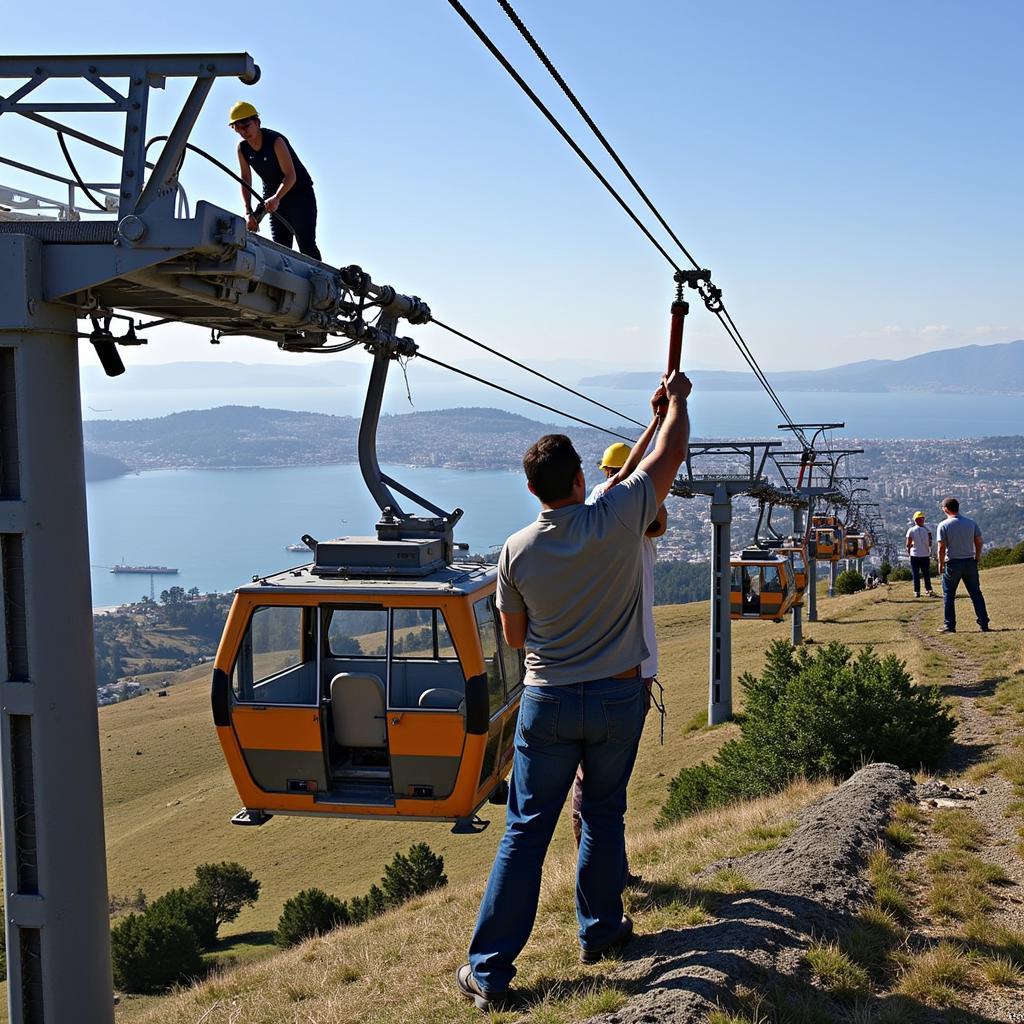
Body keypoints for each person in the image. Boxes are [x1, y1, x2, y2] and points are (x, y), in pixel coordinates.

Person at [456, 370, 692, 1012]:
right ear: (580, 479)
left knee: (526, 831)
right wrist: (676, 406)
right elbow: (666, 456)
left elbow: (513, 637)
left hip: (549, 701)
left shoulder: (516, 550)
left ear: (531, 488)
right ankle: (602, 930)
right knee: (605, 813)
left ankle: (490, 969)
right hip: (620, 697)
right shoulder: (618, 521)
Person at [568, 410, 669, 853]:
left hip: (608, 664)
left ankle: (599, 861)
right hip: (629, 668)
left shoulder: (604, 517)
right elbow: (642, 502)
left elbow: (658, 520)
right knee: (606, 781)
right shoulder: (608, 504)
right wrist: (659, 427)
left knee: (594, 779)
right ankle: (603, 869)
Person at [229, 101, 322, 260]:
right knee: (280, 248)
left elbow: (291, 175)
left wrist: (277, 198)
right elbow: (245, 179)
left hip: (299, 195)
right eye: (238, 128)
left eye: (246, 126)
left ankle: (319, 279)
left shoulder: (275, 141)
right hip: (273, 199)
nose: (244, 132)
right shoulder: (242, 148)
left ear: (257, 122)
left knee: (306, 243)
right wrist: (248, 212)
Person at [936, 497, 990, 633]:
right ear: (958, 508)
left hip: (953, 563)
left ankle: (950, 625)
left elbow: (941, 548)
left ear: (945, 509)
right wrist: (977, 557)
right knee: (976, 594)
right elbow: (979, 541)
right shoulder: (971, 523)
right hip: (970, 562)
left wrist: (941, 564)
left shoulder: (943, 525)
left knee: (949, 594)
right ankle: (984, 623)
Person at [905, 510, 936, 597]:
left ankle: (917, 591)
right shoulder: (928, 531)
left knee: (916, 574)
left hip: (914, 555)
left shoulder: (911, 530)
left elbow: (908, 544)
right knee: (926, 573)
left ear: (915, 520)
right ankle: (928, 590)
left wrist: (909, 550)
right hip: (925, 555)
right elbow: (930, 543)